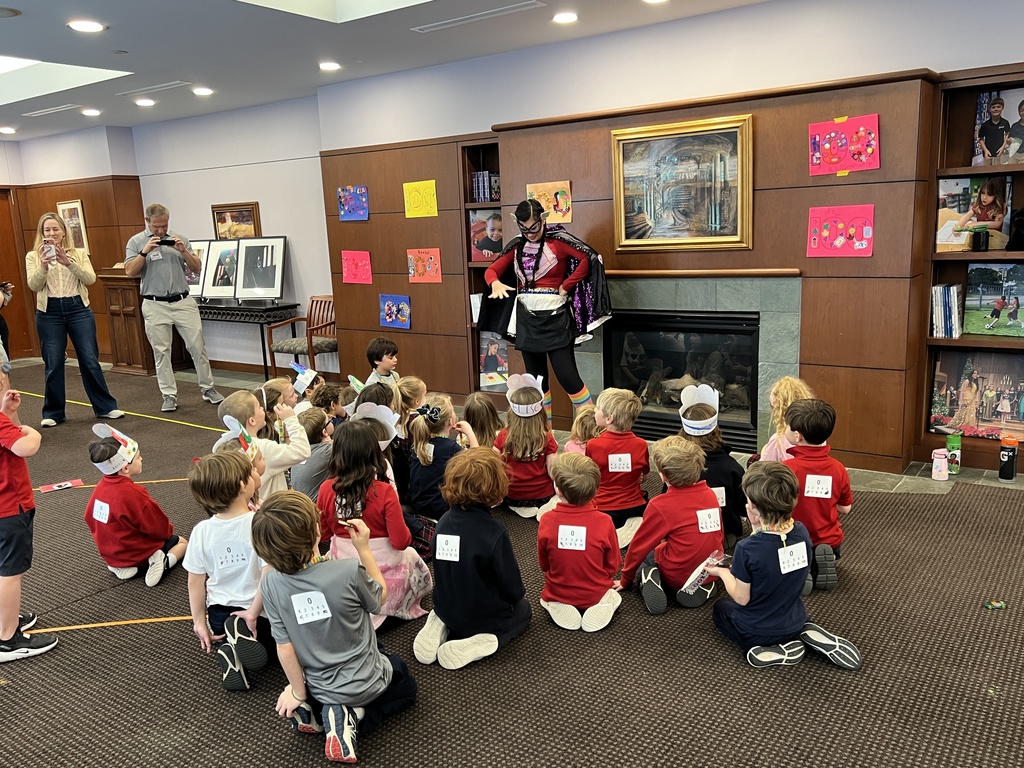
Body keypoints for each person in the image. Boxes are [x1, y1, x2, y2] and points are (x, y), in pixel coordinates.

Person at [253, 492, 417, 764]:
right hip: (364, 680)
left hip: (318, 684)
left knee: (342, 664)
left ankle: (315, 708)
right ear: (317, 532)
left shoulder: (270, 583)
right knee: (404, 681)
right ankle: (353, 716)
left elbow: (284, 647)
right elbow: (380, 599)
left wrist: (297, 691)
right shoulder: (347, 571)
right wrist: (363, 548)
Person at [706, 461, 862, 670]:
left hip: (758, 630)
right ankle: (804, 630)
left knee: (721, 609)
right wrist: (756, 525)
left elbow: (742, 598)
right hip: (794, 618)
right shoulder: (801, 531)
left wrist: (722, 573)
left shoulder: (746, 548)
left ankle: (777, 651)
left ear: (751, 506)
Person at [481, 198, 612, 420]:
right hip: (526, 318)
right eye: (524, 228)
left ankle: (592, 430)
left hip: (556, 316)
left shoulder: (558, 241)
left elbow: (588, 258)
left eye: (533, 227)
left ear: (543, 220)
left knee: (569, 377)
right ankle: (545, 434)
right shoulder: (516, 246)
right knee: (537, 381)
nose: (530, 233)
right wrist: (494, 283)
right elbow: (492, 270)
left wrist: (566, 285)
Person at [413, 448, 531, 670]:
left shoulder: (444, 522)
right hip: (485, 617)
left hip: (447, 604)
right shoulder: (495, 533)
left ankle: (440, 620)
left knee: (453, 597)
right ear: (496, 488)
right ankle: (488, 639)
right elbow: (513, 588)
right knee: (524, 611)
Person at [185, 451, 284, 694]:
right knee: (277, 648)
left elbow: (195, 581)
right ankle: (246, 639)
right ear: (242, 486)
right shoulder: (259, 523)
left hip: (219, 613)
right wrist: (252, 612)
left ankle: (228, 646)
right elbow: (268, 573)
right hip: (258, 612)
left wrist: (200, 621)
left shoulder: (201, 531)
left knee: (230, 635)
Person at [316, 420, 431, 628]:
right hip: (382, 570)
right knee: (412, 557)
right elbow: (400, 542)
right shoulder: (384, 491)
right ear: (372, 453)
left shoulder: (325, 489)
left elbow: (324, 535)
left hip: (344, 568)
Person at [25, 212, 123, 427]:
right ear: (42, 233)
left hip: (78, 309)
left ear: (63, 231)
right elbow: (33, 285)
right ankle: (53, 412)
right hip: (49, 311)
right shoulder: (33, 256)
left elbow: (90, 279)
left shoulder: (78, 254)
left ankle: (105, 407)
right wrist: (43, 265)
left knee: (89, 360)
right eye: (47, 230)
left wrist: (67, 262)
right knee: (53, 362)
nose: (52, 233)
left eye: (55, 229)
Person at [124, 203, 224, 413]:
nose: (160, 231)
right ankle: (168, 395)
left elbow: (197, 268)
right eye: (156, 227)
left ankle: (209, 389)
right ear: (147, 222)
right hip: (154, 303)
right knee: (161, 352)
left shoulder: (179, 238)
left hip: (183, 301)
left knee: (198, 347)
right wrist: (144, 252)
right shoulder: (136, 242)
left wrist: (184, 251)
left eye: (164, 226)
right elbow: (130, 271)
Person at [617, 436, 723, 614]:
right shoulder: (711, 495)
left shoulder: (660, 505)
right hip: (710, 569)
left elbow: (639, 547)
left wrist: (625, 579)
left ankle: (648, 576)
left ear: (663, 475)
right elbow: (717, 534)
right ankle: (705, 586)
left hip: (675, 574)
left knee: (647, 555)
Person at [84, 424, 188, 586]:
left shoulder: (99, 489)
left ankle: (121, 566)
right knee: (182, 542)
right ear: (125, 468)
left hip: (111, 554)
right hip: (136, 551)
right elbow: (158, 527)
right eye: (138, 457)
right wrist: (168, 534)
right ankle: (162, 561)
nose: (141, 459)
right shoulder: (133, 493)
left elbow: (89, 518)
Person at [0, 388, 57, 662]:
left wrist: (7, 413)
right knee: (10, 572)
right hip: (9, 509)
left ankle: (4, 619)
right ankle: (7, 639)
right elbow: (26, 446)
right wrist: (33, 433)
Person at [537, 453, 621, 632]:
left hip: (557, 589)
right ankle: (604, 601)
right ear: (596, 490)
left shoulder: (546, 520)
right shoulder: (604, 521)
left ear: (558, 490)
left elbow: (544, 563)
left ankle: (555, 602)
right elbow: (613, 564)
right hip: (596, 590)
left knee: (548, 594)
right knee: (607, 591)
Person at [782, 399, 853, 593]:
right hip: (829, 540)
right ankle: (822, 556)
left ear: (797, 436)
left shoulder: (786, 470)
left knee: (785, 541)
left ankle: (801, 566)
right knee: (826, 539)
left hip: (793, 540)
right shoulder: (838, 468)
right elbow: (845, 508)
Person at [677, 385, 746, 547]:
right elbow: (743, 507)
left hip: (684, 532)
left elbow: (667, 498)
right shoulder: (733, 468)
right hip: (725, 532)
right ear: (716, 430)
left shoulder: (677, 466)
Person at [585, 387, 649, 548]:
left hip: (601, 506)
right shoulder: (641, 445)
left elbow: (590, 478)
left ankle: (605, 532)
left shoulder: (594, 445)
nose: (595, 410)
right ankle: (628, 530)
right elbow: (644, 476)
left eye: (598, 408)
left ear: (609, 418)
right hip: (634, 506)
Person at [215, 389, 310, 496]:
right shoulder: (262, 448)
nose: (262, 409)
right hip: (272, 505)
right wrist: (291, 419)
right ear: (252, 421)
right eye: (259, 407)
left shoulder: (223, 445)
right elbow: (302, 451)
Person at [495, 374, 559, 519]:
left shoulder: (502, 436)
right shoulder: (547, 437)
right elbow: (553, 471)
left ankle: (519, 507)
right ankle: (544, 507)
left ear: (511, 412)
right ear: (540, 411)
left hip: (511, 494)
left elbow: (494, 465)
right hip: (543, 495)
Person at [408, 394, 478, 520]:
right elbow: (478, 461)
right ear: (451, 421)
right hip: (440, 508)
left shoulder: (418, 443)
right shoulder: (450, 448)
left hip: (417, 503)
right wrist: (470, 433)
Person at [757, 376, 816, 463]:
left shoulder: (778, 440)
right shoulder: (817, 433)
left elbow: (763, 468)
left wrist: (764, 452)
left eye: (773, 393)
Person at [290, 408, 334, 503]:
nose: (331, 420)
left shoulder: (299, 452)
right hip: (315, 509)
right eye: (329, 420)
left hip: (303, 504)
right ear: (324, 432)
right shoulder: (327, 451)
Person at [978, 97, 1011, 163]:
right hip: (987, 154)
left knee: (999, 171)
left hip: (1000, 153)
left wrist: (1003, 147)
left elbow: (1008, 133)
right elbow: (981, 139)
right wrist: (986, 150)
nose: (996, 109)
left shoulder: (1005, 122)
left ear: (1002, 108)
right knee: (987, 171)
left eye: (998, 107)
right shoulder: (985, 125)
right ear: (990, 109)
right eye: (993, 107)